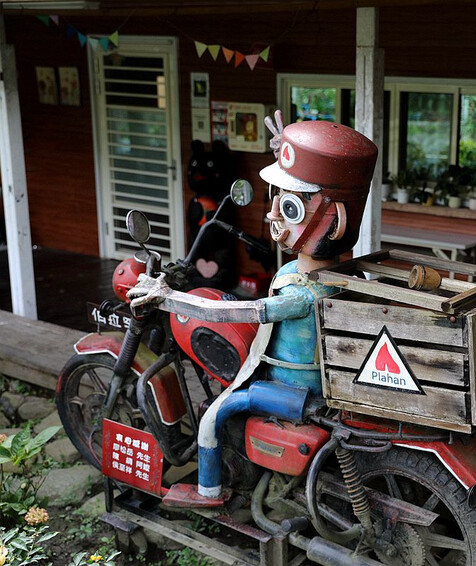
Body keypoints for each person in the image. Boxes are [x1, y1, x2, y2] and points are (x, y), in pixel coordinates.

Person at [128, 111, 378, 505]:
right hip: (315, 383)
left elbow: (237, 313)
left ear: (333, 221)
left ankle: (209, 491)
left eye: (290, 207)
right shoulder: (337, 275)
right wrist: (288, 154)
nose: (273, 213)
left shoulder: (303, 294)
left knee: (213, 416)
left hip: (295, 390)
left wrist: (169, 298)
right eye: (275, 199)